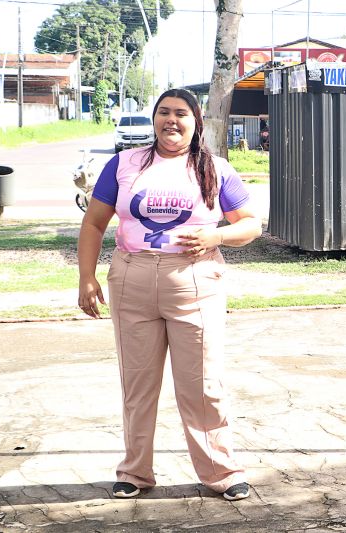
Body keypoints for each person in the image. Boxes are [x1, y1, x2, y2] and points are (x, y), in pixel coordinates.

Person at [77, 88, 263, 501]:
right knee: (138, 384)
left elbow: (251, 224)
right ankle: (134, 471)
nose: (171, 120)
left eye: (181, 113)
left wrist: (217, 233)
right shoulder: (125, 164)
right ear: (153, 119)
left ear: (196, 121)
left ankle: (221, 471)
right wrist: (86, 278)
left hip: (195, 281)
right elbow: (93, 224)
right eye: (163, 112)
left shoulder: (213, 168)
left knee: (202, 383)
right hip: (132, 278)